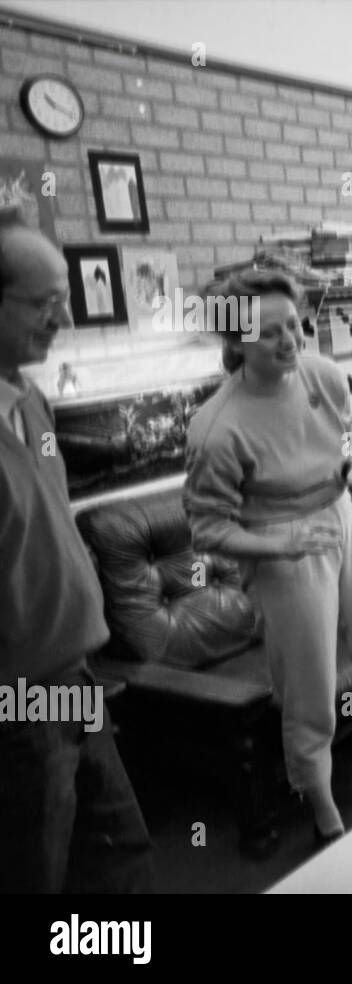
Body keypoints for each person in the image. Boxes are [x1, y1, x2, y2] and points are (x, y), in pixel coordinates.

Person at [183, 269, 352, 848]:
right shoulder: (217, 428)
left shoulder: (321, 375)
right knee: (311, 695)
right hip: (283, 547)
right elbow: (207, 529)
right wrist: (279, 547)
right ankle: (320, 802)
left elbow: (350, 432)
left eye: (294, 324)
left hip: (343, 519)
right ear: (236, 341)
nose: (290, 340)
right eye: (270, 333)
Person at [0, 219, 153, 892]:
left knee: (119, 856)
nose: (62, 316)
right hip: (19, 705)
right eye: (42, 302)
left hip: (75, 680)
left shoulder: (30, 402)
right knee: (40, 871)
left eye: (64, 296)